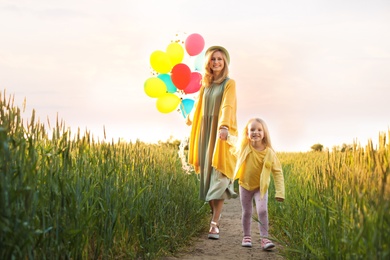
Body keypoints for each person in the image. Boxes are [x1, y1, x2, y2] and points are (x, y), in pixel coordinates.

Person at [187, 46, 238, 240]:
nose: (216, 62)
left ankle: (214, 223)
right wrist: (191, 118)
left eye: (220, 59)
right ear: (208, 62)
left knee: (218, 176)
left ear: (225, 62)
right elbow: (199, 105)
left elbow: (228, 105)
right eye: (213, 59)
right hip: (204, 131)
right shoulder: (205, 84)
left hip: (219, 133)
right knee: (207, 179)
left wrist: (224, 126)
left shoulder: (229, 83)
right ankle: (214, 216)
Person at [233, 118, 285, 250]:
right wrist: (224, 134)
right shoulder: (245, 147)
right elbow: (232, 140)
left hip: (260, 188)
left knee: (262, 210)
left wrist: (280, 192)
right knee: (247, 212)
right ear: (247, 133)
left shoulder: (269, 153)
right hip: (245, 185)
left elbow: (277, 172)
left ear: (264, 133)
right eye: (252, 129)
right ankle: (246, 236)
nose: (255, 132)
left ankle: (265, 239)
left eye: (259, 129)